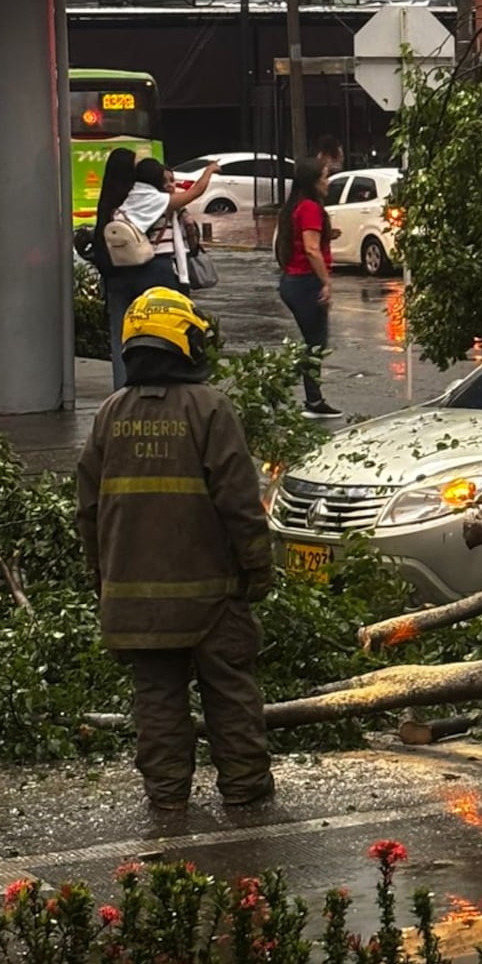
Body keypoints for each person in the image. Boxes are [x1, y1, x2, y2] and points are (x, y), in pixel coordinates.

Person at [76, 287, 274, 813]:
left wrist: (104, 580)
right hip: (212, 597)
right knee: (230, 693)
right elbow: (240, 502)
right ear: (183, 345)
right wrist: (258, 568)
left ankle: (166, 800)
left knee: (157, 700)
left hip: (134, 599)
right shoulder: (210, 409)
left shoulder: (110, 414)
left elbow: (88, 510)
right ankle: (246, 794)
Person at [276, 156, 339, 417]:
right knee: (314, 346)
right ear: (313, 181)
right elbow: (312, 250)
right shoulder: (311, 207)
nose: (327, 182)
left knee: (312, 345)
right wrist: (326, 282)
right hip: (305, 282)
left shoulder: (296, 207)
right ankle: (302, 397)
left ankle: (306, 398)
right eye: (324, 177)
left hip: (294, 281)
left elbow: (306, 242)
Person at [120, 158, 216, 295]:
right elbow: (196, 191)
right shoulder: (160, 201)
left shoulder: (129, 197)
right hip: (160, 266)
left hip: (131, 266)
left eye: (172, 180)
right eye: (164, 180)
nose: (170, 185)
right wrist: (209, 170)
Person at [91, 148, 138, 390]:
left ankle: (121, 391)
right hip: (140, 274)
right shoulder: (136, 198)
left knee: (119, 336)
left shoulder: (107, 199)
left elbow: (100, 241)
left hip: (114, 277)